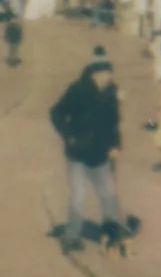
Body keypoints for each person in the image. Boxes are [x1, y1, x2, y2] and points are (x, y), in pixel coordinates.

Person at [48, 49, 124, 250]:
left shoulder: (111, 93)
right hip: (78, 155)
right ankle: (72, 237)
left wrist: (116, 145)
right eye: (105, 73)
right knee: (78, 198)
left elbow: (114, 122)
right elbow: (56, 113)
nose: (108, 77)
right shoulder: (78, 90)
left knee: (109, 194)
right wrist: (70, 136)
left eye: (110, 73)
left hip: (101, 154)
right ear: (94, 74)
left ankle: (110, 230)